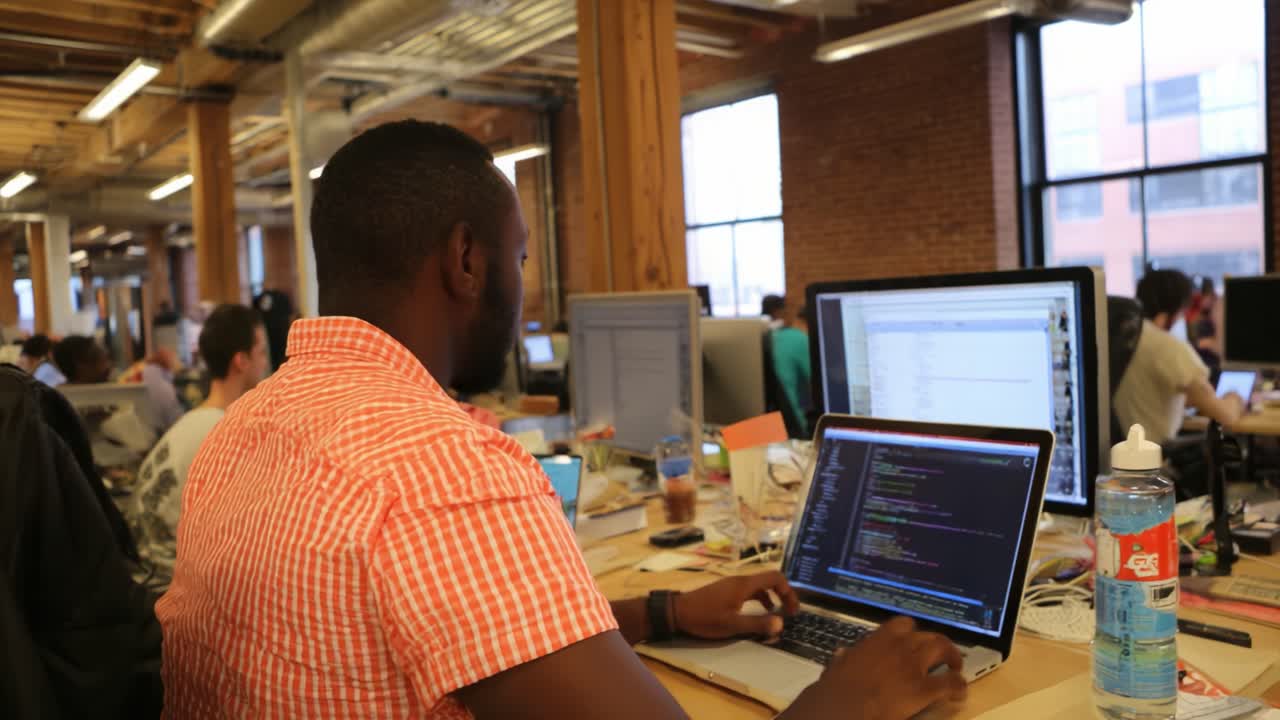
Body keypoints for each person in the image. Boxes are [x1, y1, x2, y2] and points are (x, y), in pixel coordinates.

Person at [157, 121, 965, 720]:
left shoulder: (246, 427)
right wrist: (847, 697)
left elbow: (455, 634)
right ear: (465, 259)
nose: (519, 285)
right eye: (519, 257)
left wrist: (664, 614)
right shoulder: (441, 464)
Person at [128, 304, 267, 588]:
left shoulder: (189, 425)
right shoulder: (227, 435)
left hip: (144, 583)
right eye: (262, 352)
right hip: (171, 594)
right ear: (241, 361)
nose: (266, 364)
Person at [1114, 269, 1244, 445]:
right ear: (1178, 307)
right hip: (1158, 461)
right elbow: (1225, 415)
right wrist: (1235, 398)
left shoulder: (1125, 337)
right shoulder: (1167, 346)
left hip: (1123, 457)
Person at [771, 305, 812, 437]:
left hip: (766, 426)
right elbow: (820, 382)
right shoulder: (801, 339)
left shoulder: (774, 335)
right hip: (792, 427)